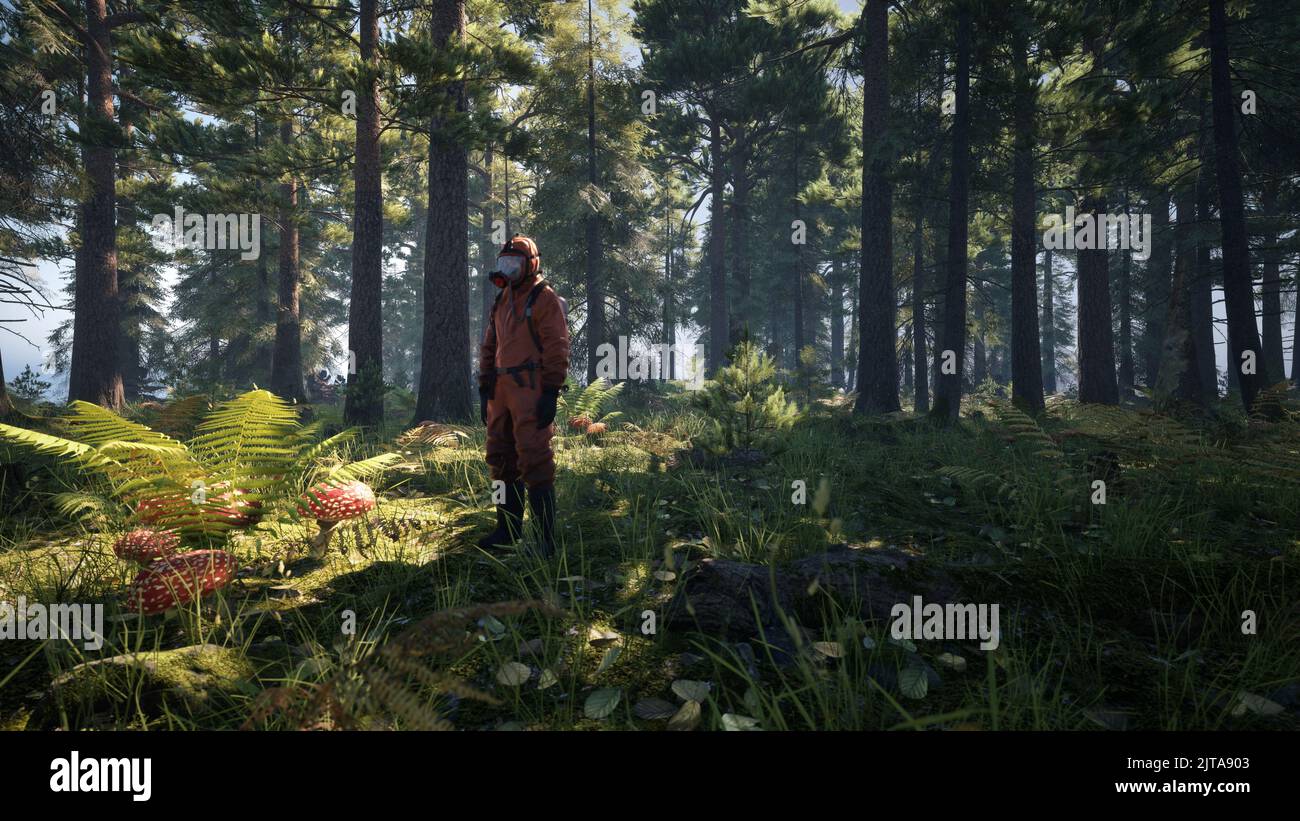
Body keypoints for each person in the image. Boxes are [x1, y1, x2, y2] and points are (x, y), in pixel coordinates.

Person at [476, 235, 570, 557]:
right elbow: (490, 344)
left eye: (515, 263)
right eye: (505, 263)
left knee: (535, 460)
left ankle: (545, 542)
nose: (509, 269)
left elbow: (557, 346)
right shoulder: (502, 300)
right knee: (500, 459)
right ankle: (507, 530)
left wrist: (551, 392)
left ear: (530, 264)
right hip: (500, 391)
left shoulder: (544, 298)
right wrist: (484, 383)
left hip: (530, 387)